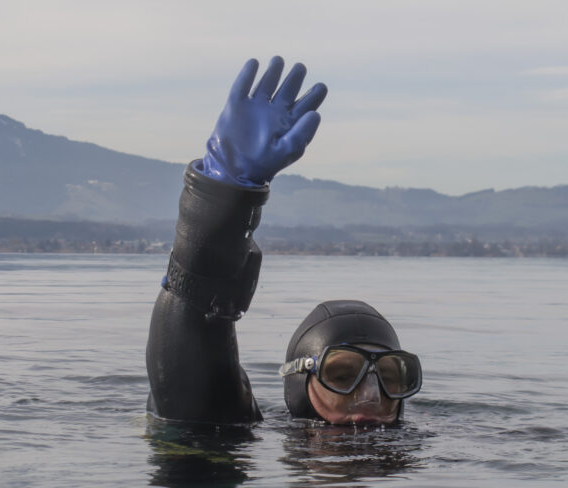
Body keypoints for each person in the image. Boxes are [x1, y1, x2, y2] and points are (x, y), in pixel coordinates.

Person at [146, 57, 422, 427]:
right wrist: (222, 193)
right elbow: (190, 368)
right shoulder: (238, 434)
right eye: (343, 375)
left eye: (390, 377)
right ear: (300, 382)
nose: (372, 396)